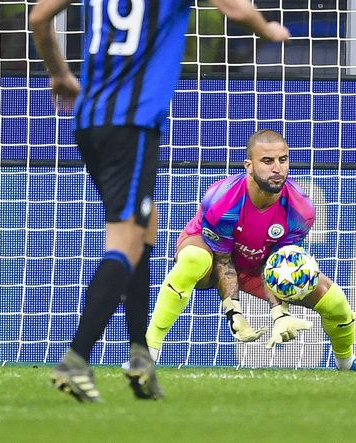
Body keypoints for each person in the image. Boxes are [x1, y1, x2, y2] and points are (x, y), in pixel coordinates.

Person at [30, 0, 290, 403]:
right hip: (132, 127)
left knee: (144, 232)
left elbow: (39, 17)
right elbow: (237, 10)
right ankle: (77, 358)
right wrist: (268, 30)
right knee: (125, 241)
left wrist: (60, 74)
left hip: (88, 121)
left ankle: (140, 358)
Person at [144, 129, 356, 373]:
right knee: (193, 261)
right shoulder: (222, 202)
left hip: (259, 262)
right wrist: (234, 312)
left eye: (282, 160)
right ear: (249, 166)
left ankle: (348, 363)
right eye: (267, 161)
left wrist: (280, 315)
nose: (277, 168)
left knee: (336, 302)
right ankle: (147, 354)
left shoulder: (301, 210)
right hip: (213, 256)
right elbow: (223, 260)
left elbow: (278, 264)